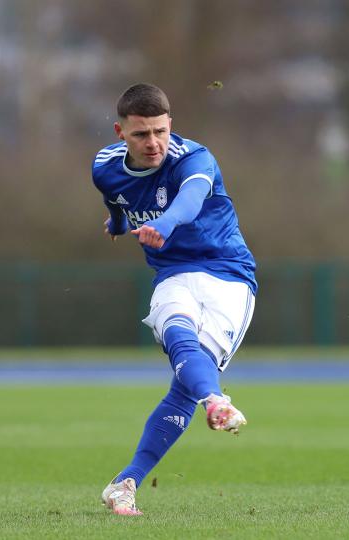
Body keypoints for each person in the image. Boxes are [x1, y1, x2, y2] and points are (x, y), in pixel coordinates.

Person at [91, 83, 257, 515]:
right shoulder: (104, 167)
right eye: (141, 134)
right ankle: (217, 400)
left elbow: (190, 199)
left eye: (161, 132)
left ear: (171, 125)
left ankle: (124, 482)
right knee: (178, 336)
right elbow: (116, 200)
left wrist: (163, 224)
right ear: (119, 132)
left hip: (229, 276)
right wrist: (115, 223)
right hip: (174, 274)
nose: (153, 143)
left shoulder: (196, 158)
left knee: (184, 386)